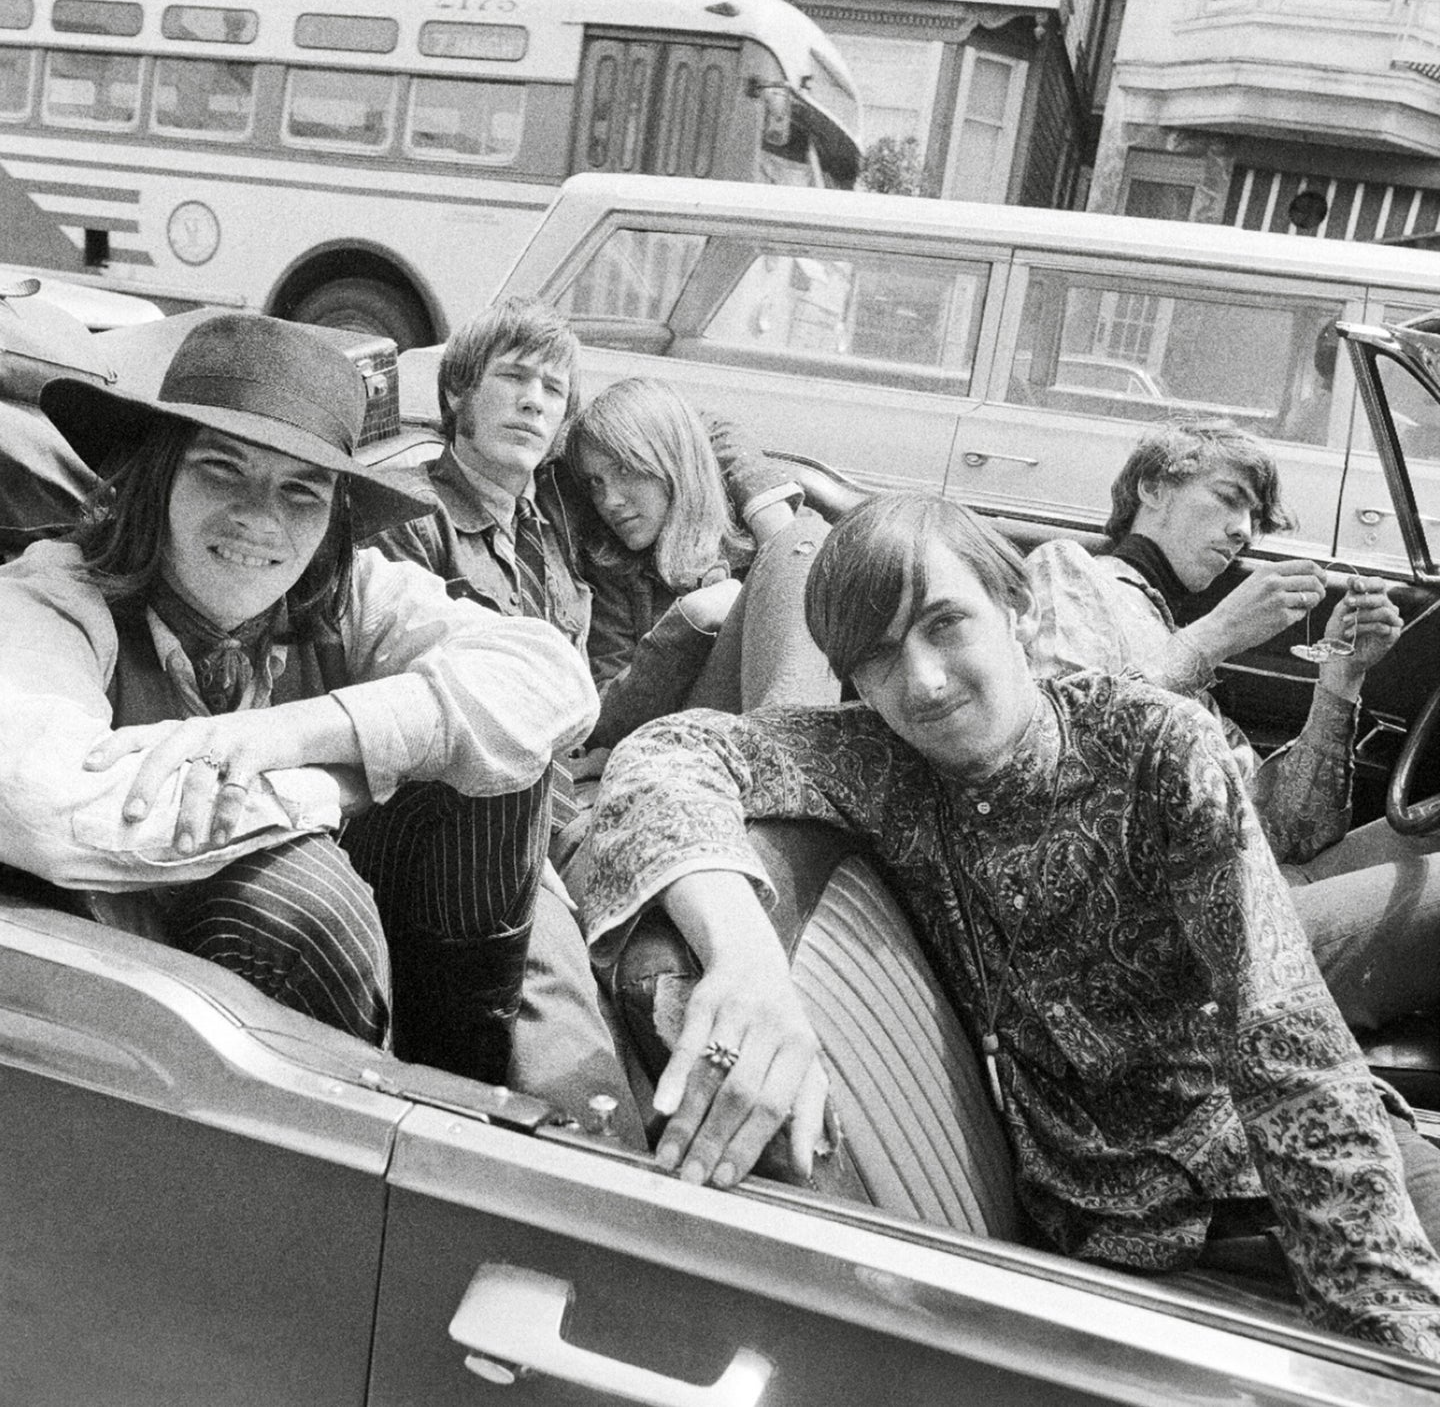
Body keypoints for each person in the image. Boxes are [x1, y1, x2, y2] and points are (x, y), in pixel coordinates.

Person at [579, 491, 1440, 1358]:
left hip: (1303, 1153)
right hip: (1140, 1231)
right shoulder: (879, 764)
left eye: (946, 624)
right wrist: (746, 959)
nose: (922, 680)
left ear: (1016, 608)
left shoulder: (1154, 747)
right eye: (877, 660)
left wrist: (1385, 1328)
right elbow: (665, 755)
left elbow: (1281, 1034)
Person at [0, 312, 597, 1089]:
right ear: (157, 474)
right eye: (222, 468)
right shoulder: (56, 596)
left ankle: (462, 1100)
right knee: (302, 898)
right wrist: (346, 786)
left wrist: (298, 738)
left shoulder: (343, 595)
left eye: (302, 490)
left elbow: (549, 680)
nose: (260, 518)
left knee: (493, 774)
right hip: (147, 1010)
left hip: (365, 969)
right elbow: (46, 800)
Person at [1024, 419, 1440, 1032]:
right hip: (1188, 941)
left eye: (1254, 519)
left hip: (1268, 882)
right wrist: (1215, 636)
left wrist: (1341, 682)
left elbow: (1297, 834)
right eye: (1227, 499)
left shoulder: (1166, 633)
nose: (1243, 532)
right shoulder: (1070, 573)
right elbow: (1057, 752)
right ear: (1151, 488)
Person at [368, 296, 641, 1140]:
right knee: (552, 983)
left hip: (573, 791)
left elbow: (707, 440)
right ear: (458, 396)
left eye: (552, 391)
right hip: (479, 811)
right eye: (513, 379)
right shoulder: (411, 519)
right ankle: (605, 1173)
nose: (533, 401)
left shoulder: (545, 515)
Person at [567, 376, 838, 752]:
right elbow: (604, 718)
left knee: (803, 545)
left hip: (771, 743)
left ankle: (788, 763)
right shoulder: (612, 568)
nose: (610, 499)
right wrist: (689, 621)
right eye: (595, 482)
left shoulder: (761, 529)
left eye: (624, 470)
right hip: (691, 747)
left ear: (671, 460)